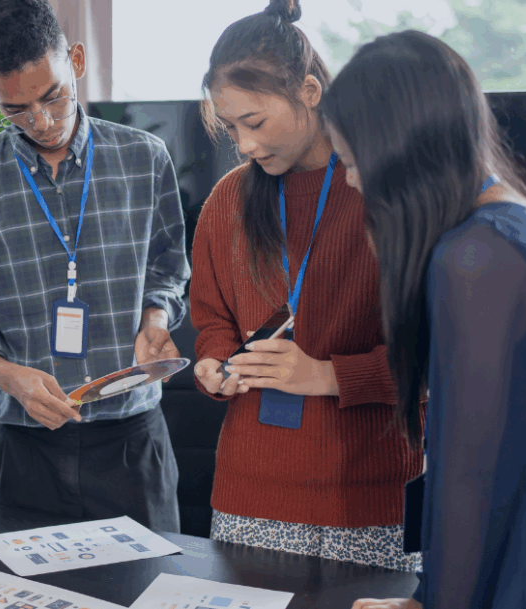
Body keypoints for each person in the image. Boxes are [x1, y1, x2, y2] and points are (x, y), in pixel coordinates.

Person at [320, 30, 526, 609]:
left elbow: (471, 482)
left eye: (352, 162)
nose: (351, 182)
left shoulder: (476, 259)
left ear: (397, 153)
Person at [0, 0, 190, 532]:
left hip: (132, 436)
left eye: (54, 96)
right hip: (26, 447)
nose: (42, 121)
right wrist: (2, 373)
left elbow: (168, 269)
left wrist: (155, 319)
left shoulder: (146, 158)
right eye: (16, 109)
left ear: (78, 61)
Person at [189, 0, 423, 571]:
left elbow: (435, 357)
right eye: (232, 126)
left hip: (370, 498)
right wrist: (214, 362)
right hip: (250, 493)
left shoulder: (388, 194)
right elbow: (211, 316)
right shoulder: (226, 200)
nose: (243, 144)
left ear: (311, 92)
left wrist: (325, 375)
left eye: (255, 122)